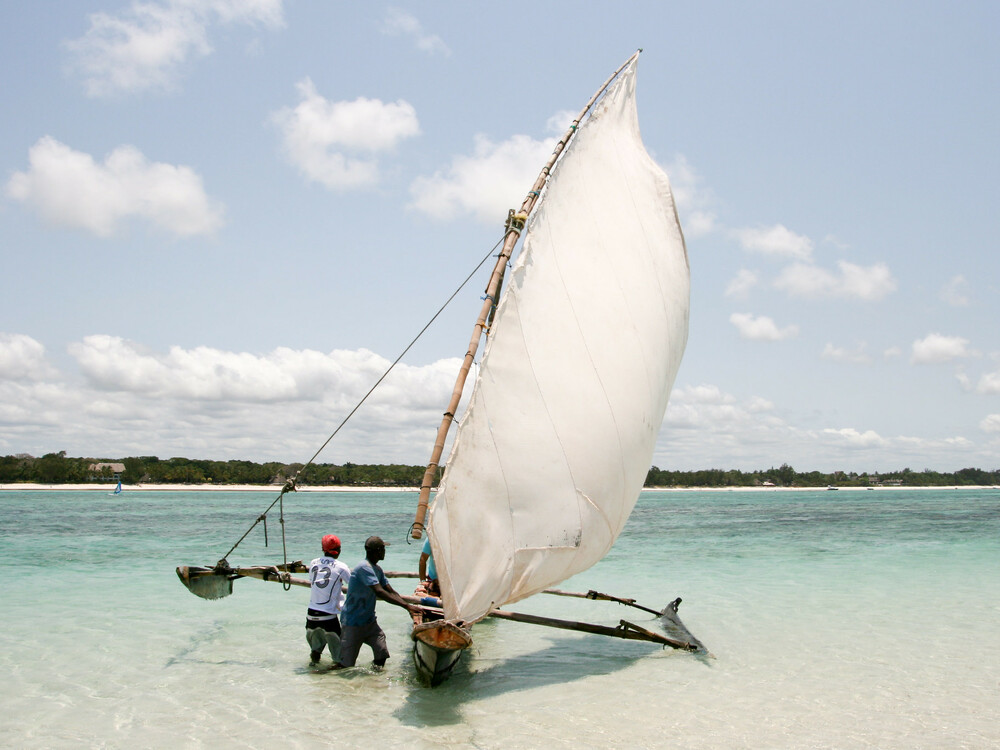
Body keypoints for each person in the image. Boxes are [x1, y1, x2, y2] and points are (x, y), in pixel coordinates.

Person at [332, 535, 420, 671]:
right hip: (352, 623)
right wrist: (407, 606)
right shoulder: (364, 568)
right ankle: (321, 674)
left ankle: (374, 680)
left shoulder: (377, 570)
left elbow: (391, 591)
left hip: (369, 623)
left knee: (381, 652)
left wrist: (409, 608)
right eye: (383, 549)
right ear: (377, 551)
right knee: (345, 666)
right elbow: (379, 591)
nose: (385, 552)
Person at [305, 534, 350, 666]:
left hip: (311, 615)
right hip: (328, 618)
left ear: (323, 549)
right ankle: (333, 678)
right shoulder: (342, 567)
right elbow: (353, 585)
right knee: (339, 658)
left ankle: (313, 673)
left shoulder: (313, 563)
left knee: (315, 651)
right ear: (339, 550)